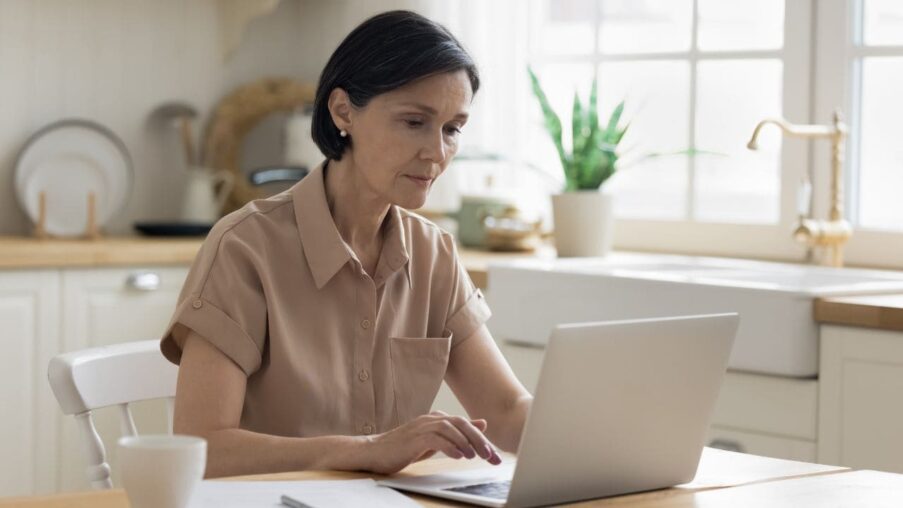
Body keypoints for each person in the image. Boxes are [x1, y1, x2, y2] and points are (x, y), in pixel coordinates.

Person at [160, 10, 532, 479]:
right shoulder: (245, 248)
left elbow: (506, 409)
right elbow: (201, 448)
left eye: (452, 129)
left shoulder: (434, 255)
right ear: (343, 112)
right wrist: (362, 450)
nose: (437, 152)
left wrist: (613, 443)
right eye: (415, 121)